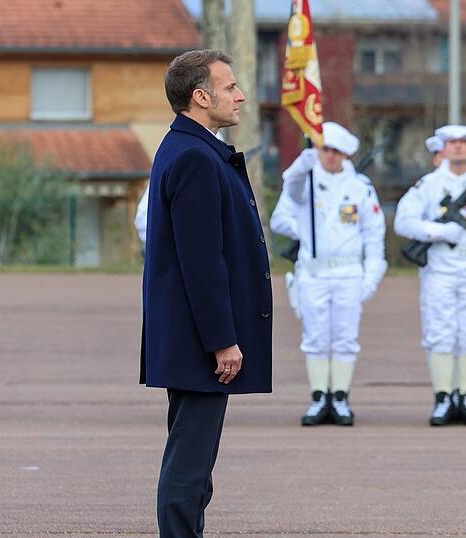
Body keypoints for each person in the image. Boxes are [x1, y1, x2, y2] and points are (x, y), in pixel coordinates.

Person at [140, 49, 272, 537]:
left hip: (190, 333)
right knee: (190, 464)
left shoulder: (190, 146)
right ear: (200, 96)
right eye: (230, 86)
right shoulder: (195, 156)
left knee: (195, 463)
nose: (240, 95)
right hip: (198, 338)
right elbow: (201, 261)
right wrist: (222, 340)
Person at [270, 122, 387, 426]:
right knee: (315, 336)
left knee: (345, 337)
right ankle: (319, 396)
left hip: (348, 272)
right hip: (314, 272)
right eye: (325, 149)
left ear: (346, 154)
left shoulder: (360, 187)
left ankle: (341, 396)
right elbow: (285, 205)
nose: (330, 156)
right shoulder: (305, 182)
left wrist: (371, 277)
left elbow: (374, 235)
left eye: (336, 151)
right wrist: (301, 167)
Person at [394, 125, 466, 427]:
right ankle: (443, 397)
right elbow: (403, 222)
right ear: (443, 149)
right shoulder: (429, 185)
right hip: (440, 264)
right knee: (440, 330)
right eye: (452, 143)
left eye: (464, 143)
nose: (458, 147)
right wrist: (439, 231)